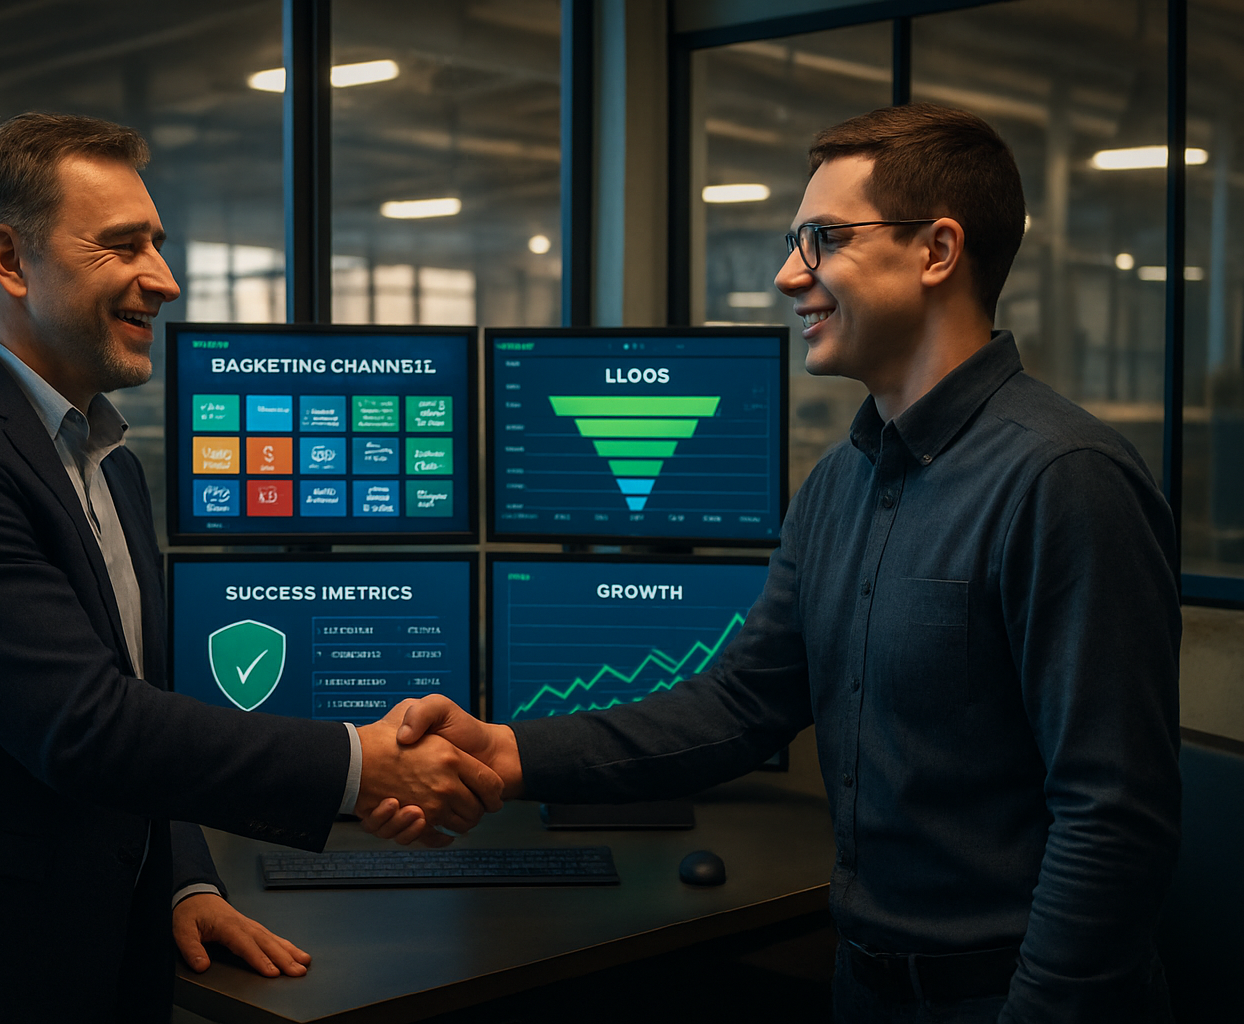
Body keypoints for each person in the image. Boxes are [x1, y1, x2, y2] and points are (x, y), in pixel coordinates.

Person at [384, 104, 1182, 1023]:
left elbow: (1112, 818)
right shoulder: (841, 481)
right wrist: (509, 751)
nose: (786, 273)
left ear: (937, 251)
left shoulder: (1065, 481)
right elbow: (742, 703)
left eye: (823, 239)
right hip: (862, 988)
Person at [0, 112, 500, 1024]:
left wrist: (184, 880)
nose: (165, 279)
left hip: (99, 941)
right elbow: (85, 726)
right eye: (124, 246)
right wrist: (361, 765)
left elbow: (136, 695)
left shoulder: (106, 457)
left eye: (158, 243)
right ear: (10, 260)